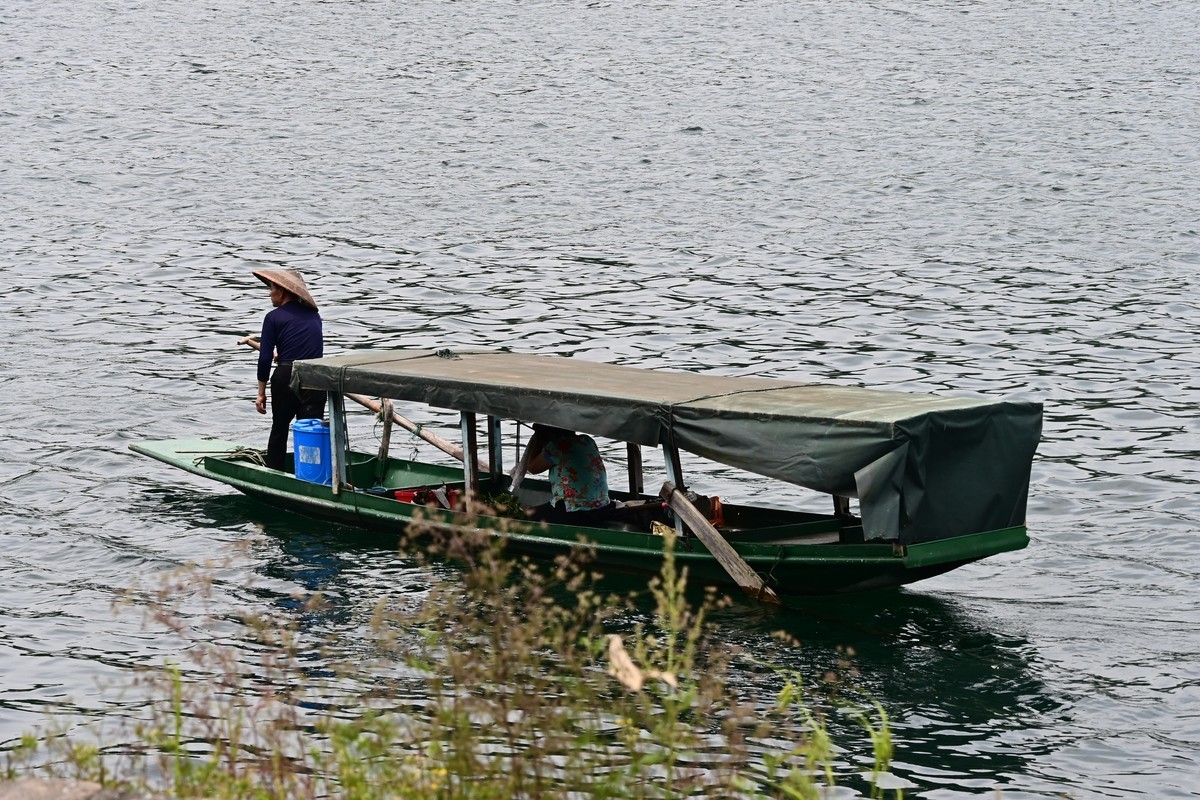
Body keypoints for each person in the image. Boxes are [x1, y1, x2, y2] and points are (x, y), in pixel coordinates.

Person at [238, 269, 325, 471]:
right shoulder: (315, 316)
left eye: (272, 289)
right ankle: (311, 472)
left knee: (280, 428)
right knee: (310, 429)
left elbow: (266, 357)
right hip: (317, 377)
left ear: (283, 292)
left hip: (287, 376)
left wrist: (260, 393)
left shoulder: (273, 317)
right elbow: (307, 347)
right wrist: (285, 352)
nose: (270, 293)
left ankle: (275, 471)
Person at [521, 424, 614, 525]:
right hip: (602, 508)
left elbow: (532, 468)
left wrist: (538, 438)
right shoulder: (588, 441)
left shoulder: (557, 446)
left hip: (574, 512)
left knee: (525, 515)